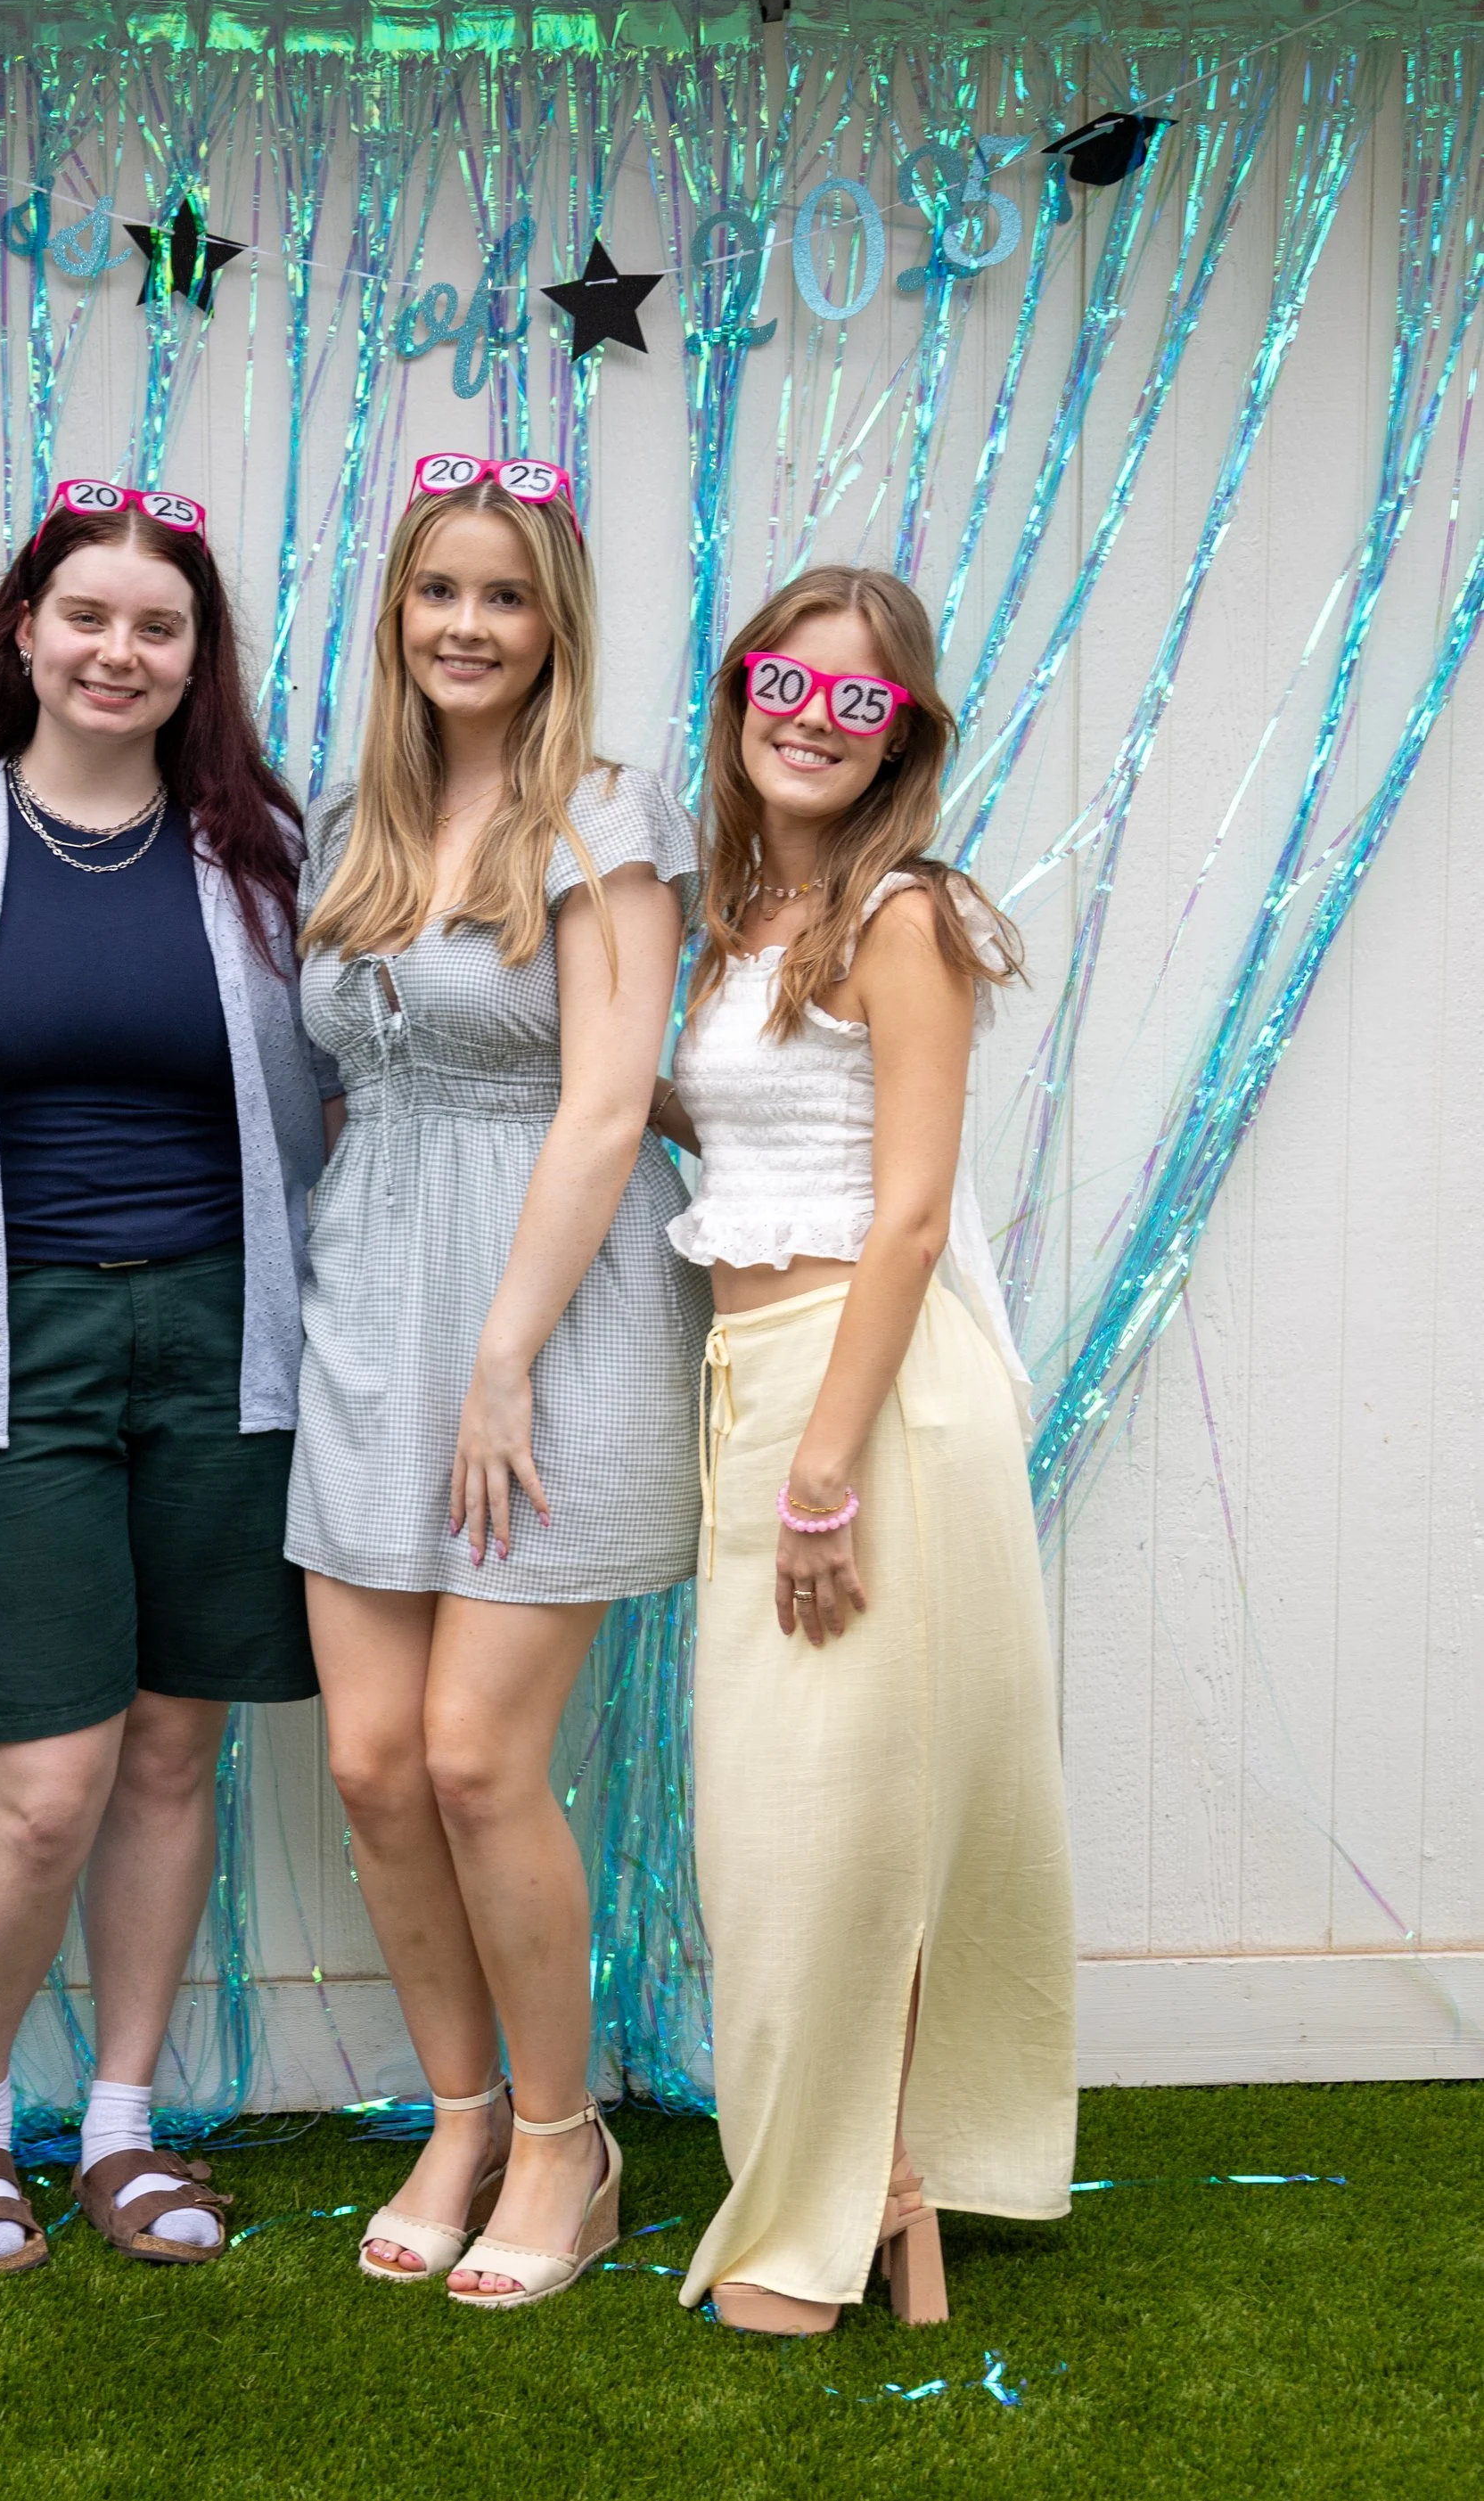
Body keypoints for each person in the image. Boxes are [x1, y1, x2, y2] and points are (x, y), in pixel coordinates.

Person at [0, 480, 332, 2274]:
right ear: (25, 631)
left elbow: (331, 1096)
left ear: (193, 657)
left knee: (168, 1748)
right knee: (38, 1771)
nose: (117, 650)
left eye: (159, 625)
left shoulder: (256, 845)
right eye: (87, 616)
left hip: (226, 1332)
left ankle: (123, 2124)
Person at [290, 454, 709, 2310]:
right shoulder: (348, 826)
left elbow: (608, 1101)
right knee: (373, 1761)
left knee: (475, 1754)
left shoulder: (605, 824)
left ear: (553, 627)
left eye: (504, 595)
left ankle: (563, 2138)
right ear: (397, 611)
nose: (465, 624)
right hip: (367, 1304)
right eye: (437, 590)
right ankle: (455, 2111)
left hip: (544, 1313)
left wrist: (500, 1357)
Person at [657, 565, 1076, 2336]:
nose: (810, 719)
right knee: (779, 1825)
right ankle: (840, 2187)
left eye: (856, 701)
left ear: (900, 734)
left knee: (842, 1828)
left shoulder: (902, 917)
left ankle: (829, 2216)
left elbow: (905, 1216)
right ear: (740, 691)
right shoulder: (735, 921)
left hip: (868, 1400)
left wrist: (822, 1466)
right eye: (783, 681)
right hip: (756, 1375)